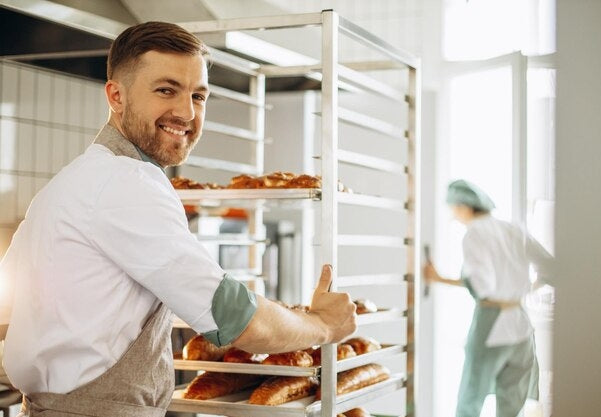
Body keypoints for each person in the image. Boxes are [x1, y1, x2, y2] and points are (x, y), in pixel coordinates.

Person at [0, 21, 356, 417]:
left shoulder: (74, 180)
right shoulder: (126, 183)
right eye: (166, 90)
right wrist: (325, 325)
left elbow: (7, 308)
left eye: (199, 96)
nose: (187, 112)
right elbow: (237, 320)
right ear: (116, 96)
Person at [424, 179, 553, 417]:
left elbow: (483, 286)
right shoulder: (514, 230)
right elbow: (551, 268)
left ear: (464, 207)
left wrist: (440, 279)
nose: (454, 215)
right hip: (521, 324)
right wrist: (525, 291)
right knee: (513, 402)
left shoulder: (474, 234)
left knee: (471, 397)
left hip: (492, 322)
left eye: (453, 209)